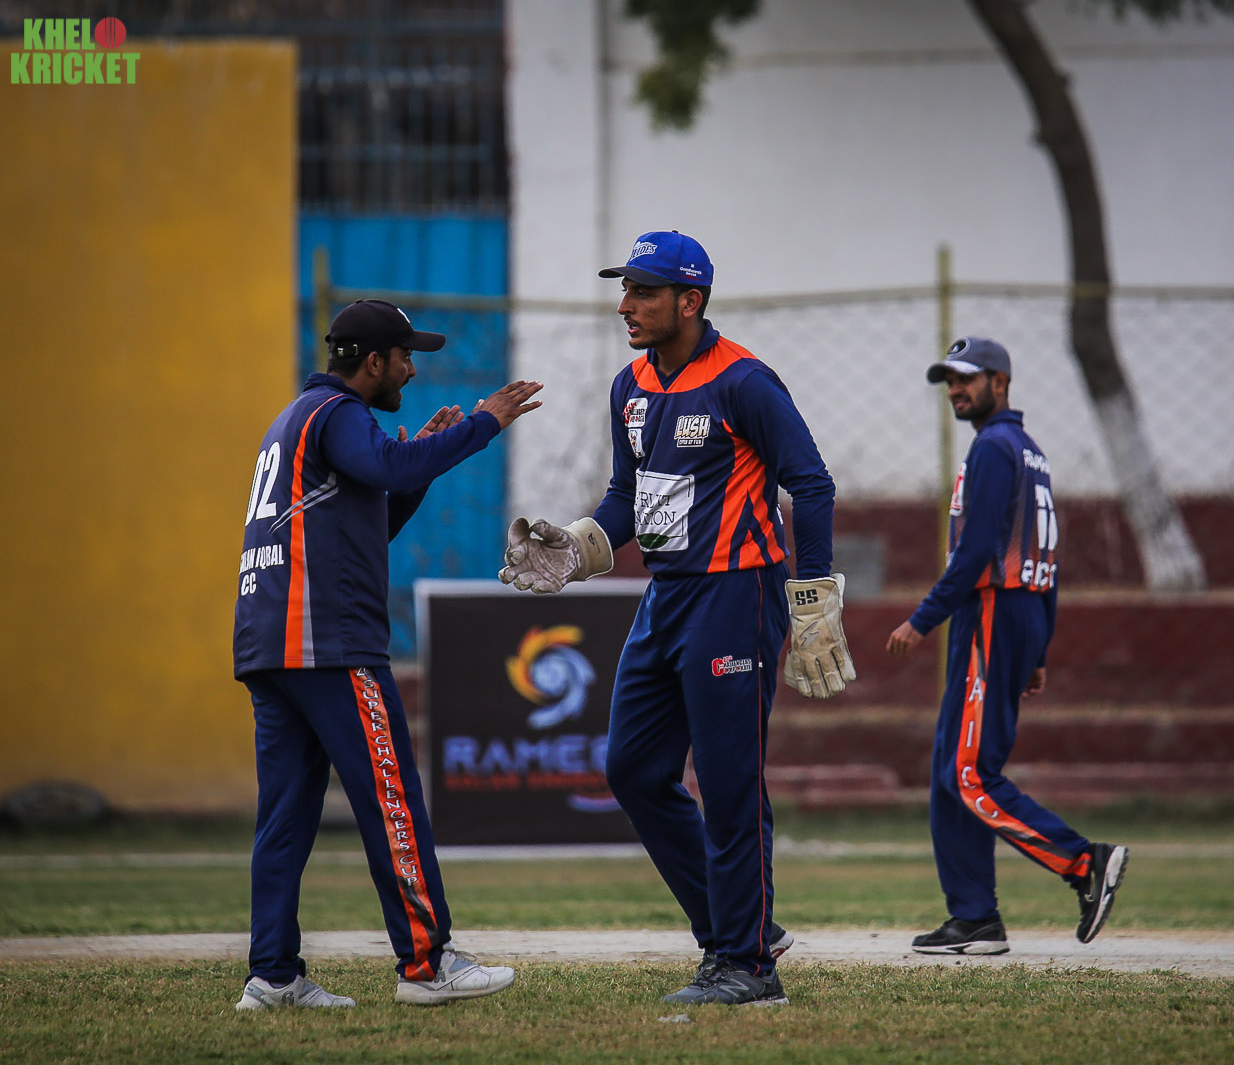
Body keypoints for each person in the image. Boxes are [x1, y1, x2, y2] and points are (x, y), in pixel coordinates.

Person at [497, 231, 852, 1006]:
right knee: (632, 769)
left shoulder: (745, 381)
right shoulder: (629, 385)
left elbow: (812, 484)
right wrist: (578, 547)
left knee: (729, 783)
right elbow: (627, 497)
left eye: (644, 291)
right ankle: (740, 930)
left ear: (690, 301)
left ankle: (747, 965)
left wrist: (813, 598)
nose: (626, 305)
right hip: (667, 597)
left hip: (736, 594)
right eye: (624, 289)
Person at [232, 299, 542, 1010]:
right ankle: (426, 964)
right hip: (329, 643)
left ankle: (272, 975)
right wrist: (482, 423)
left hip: (271, 644)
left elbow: (367, 520)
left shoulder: (295, 419)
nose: (412, 369)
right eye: (405, 357)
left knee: (284, 817)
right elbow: (384, 464)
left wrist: (417, 466)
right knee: (391, 796)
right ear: (373, 362)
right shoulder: (339, 413)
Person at [887, 337, 1128, 956]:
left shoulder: (994, 448)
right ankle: (974, 918)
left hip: (992, 612)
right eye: (950, 382)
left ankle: (1083, 862)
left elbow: (975, 554)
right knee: (949, 773)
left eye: (967, 379)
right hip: (1017, 614)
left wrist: (922, 620)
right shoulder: (1030, 452)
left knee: (969, 773)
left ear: (1001, 381)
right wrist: (1039, 648)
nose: (956, 391)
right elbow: (1048, 558)